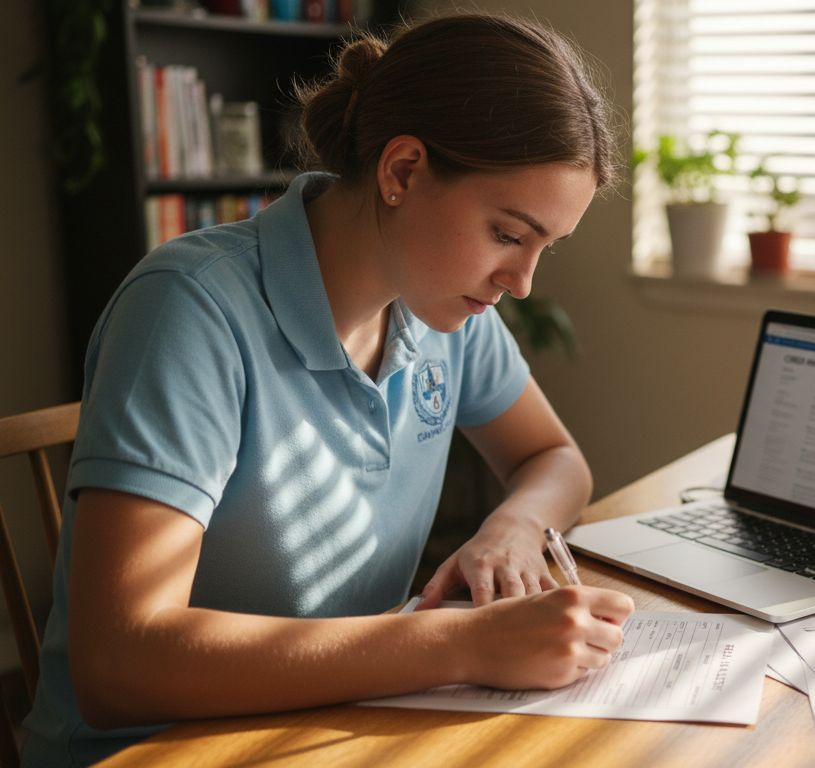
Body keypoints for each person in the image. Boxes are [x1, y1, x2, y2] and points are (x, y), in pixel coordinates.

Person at [22, 12, 634, 766]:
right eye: (508, 235)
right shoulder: (190, 310)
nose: (522, 281)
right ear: (402, 170)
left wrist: (512, 527)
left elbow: (553, 458)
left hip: (328, 724)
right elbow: (121, 665)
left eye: (545, 246)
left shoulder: (447, 311)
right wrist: (459, 643)